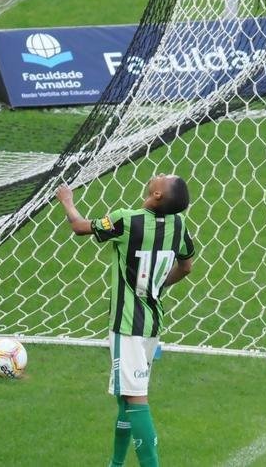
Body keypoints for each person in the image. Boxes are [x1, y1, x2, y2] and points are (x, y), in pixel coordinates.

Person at [56, 175, 196, 467]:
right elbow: (186, 267)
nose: (160, 174)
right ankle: (115, 464)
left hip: (128, 325)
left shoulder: (126, 220)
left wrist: (68, 202)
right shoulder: (178, 226)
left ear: (157, 194)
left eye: (165, 178)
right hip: (152, 322)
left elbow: (80, 228)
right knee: (126, 395)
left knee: (136, 398)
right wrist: (159, 286)